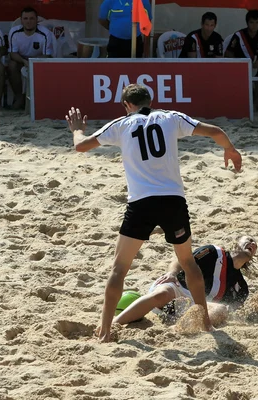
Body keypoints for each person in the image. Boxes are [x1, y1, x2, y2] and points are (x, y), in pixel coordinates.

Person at [65, 84, 243, 342]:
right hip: (172, 201)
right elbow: (215, 131)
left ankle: (104, 330)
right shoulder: (171, 118)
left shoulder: (121, 124)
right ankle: (205, 323)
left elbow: (81, 146)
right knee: (187, 263)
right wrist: (230, 149)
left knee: (119, 268)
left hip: (141, 204)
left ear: (127, 106)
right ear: (151, 100)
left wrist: (77, 130)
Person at [114, 235, 258, 326]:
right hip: (178, 286)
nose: (252, 243)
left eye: (255, 244)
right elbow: (182, 260)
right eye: (249, 239)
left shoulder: (241, 287)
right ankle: (113, 324)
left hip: (196, 306)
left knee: (221, 310)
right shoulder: (214, 253)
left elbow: (233, 312)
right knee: (161, 295)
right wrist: (172, 273)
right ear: (236, 242)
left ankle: (178, 328)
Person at [225, 9, 258, 111]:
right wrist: (239, 63)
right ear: (247, 23)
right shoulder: (239, 35)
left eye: (257, 23)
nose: (254, 25)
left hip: (257, 66)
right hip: (241, 68)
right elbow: (228, 53)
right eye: (252, 22)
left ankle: (257, 102)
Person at [7, 7, 54, 110]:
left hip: (39, 59)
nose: (28, 21)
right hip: (21, 59)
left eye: (32, 18)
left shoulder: (45, 33)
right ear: (21, 20)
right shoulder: (14, 32)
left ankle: (41, 99)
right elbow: (12, 53)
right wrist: (24, 61)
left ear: (37, 20)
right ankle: (19, 97)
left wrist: (33, 62)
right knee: (11, 65)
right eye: (26, 18)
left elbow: (47, 55)